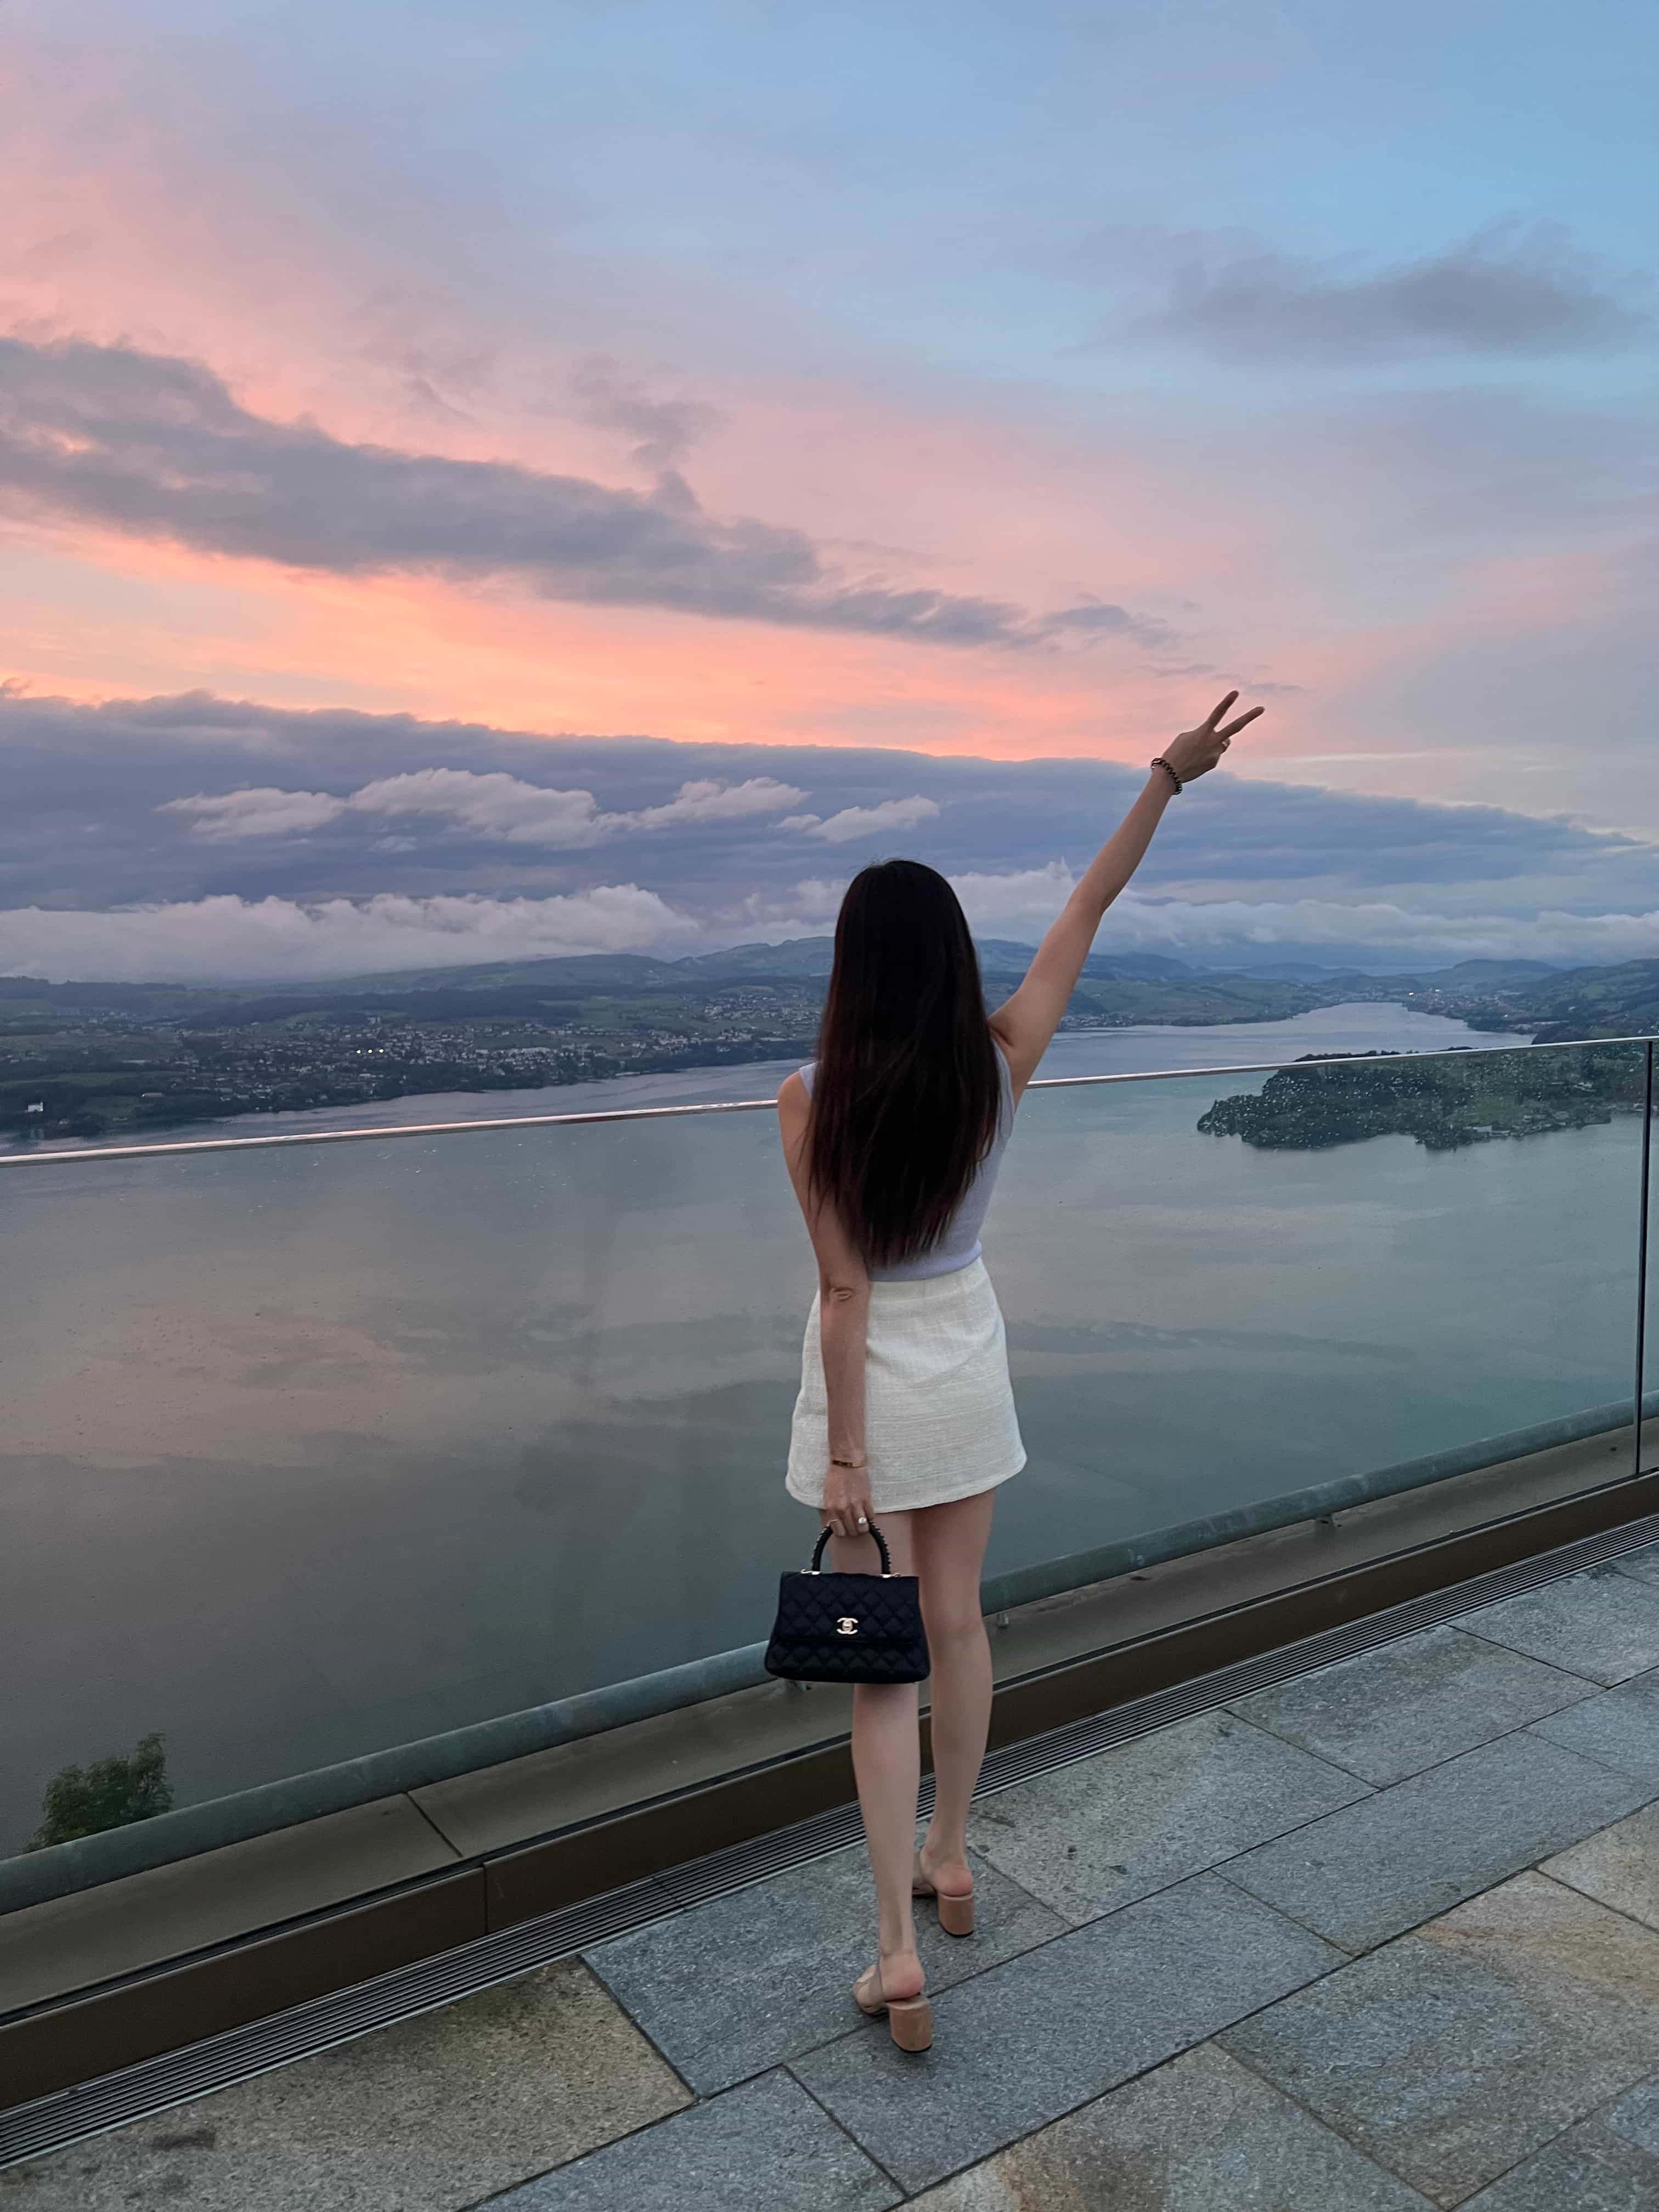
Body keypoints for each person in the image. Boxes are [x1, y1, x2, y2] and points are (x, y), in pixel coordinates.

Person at [775, 691, 1262, 2052]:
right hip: (968, 1364)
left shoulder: (812, 1099)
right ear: (951, 960)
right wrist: (1168, 776)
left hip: (872, 1393)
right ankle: (954, 1856)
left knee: (880, 1668)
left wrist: (848, 1457)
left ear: (852, 969)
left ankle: (895, 1953)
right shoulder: (1002, 1063)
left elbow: (843, 1291)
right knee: (963, 1626)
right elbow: (1087, 910)